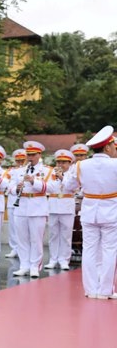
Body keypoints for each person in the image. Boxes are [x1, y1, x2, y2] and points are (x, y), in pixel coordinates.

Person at [73, 126, 117, 299]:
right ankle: (105, 290)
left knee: (89, 250)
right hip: (111, 212)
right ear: (107, 147)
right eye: (113, 145)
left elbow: (70, 186)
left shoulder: (81, 165)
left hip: (89, 211)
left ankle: (91, 290)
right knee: (109, 250)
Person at [8, 141, 49, 278]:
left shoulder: (47, 170)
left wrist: (33, 182)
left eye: (33, 155)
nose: (30, 157)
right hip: (21, 207)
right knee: (22, 239)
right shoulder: (18, 171)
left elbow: (49, 188)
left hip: (37, 207)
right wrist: (16, 189)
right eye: (28, 155)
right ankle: (24, 265)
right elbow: (10, 188)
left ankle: (34, 266)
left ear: (39, 155)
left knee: (36, 239)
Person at [46, 150, 78, 270]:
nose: (61, 164)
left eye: (64, 162)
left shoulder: (73, 174)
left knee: (66, 235)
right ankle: (53, 259)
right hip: (53, 206)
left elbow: (72, 187)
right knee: (53, 235)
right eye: (59, 162)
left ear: (70, 163)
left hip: (66, 207)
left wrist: (62, 177)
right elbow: (48, 187)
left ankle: (64, 259)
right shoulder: (51, 173)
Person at [5, 149, 27, 258]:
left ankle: (22, 248)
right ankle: (14, 248)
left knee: (22, 228)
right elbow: (7, 184)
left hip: (23, 202)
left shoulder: (28, 170)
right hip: (12, 201)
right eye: (18, 161)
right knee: (12, 227)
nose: (20, 163)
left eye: (22, 160)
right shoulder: (10, 171)